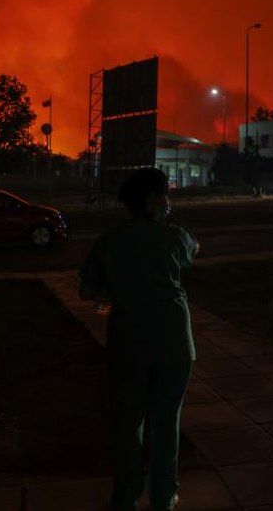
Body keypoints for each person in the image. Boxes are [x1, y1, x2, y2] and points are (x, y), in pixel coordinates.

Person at [79, 168, 199, 511]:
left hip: (128, 345)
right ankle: (163, 497)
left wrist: (109, 291)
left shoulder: (110, 239)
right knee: (166, 423)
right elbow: (194, 248)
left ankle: (125, 496)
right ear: (152, 200)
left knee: (128, 425)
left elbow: (87, 288)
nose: (168, 201)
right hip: (174, 344)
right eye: (165, 195)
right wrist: (167, 221)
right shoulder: (174, 236)